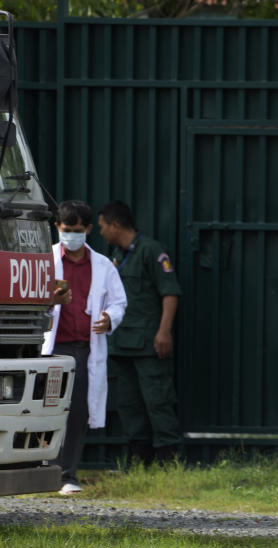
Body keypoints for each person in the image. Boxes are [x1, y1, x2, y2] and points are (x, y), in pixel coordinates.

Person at [42, 200, 127, 495]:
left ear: (89, 229)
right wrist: (51, 300)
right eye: (67, 230)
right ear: (57, 228)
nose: (72, 235)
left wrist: (109, 318)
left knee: (77, 411)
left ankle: (67, 474)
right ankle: (44, 471)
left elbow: (118, 302)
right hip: (49, 347)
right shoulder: (45, 260)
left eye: (78, 230)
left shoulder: (102, 265)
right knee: (46, 410)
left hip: (82, 348)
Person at [97, 201, 182, 464]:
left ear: (116, 224)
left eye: (102, 227)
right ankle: (139, 460)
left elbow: (170, 292)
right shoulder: (115, 254)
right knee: (129, 404)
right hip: (121, 344)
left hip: (148, 344)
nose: (100, 233)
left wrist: (164, 332)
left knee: (158, 401)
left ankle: (169, 460)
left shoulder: (151, 251)